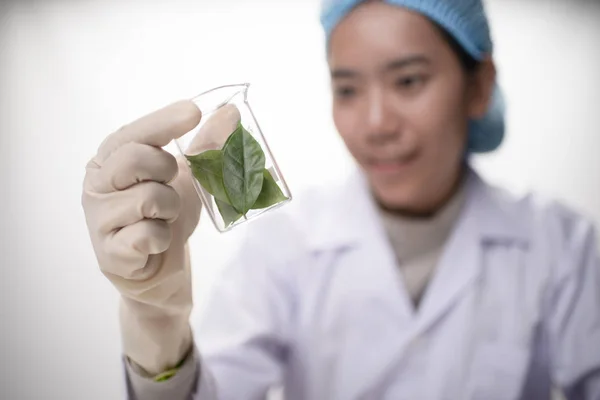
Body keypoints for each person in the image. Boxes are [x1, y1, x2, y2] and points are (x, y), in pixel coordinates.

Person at [81, 0, 600, 399]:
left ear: (479, 85)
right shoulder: (285, 247)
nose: (375, 124)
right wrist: (157, 319)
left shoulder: (564, 247)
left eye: (409, 80)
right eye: (348, 90)